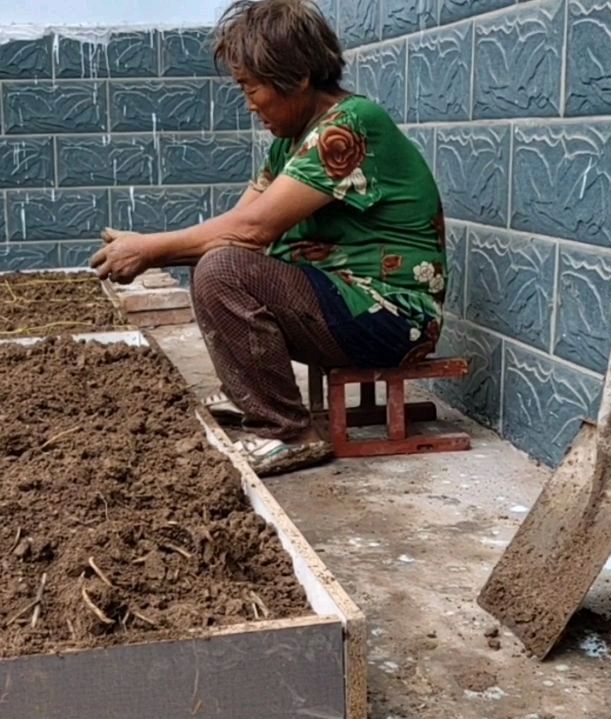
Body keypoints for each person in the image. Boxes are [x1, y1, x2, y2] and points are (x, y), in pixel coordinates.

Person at [91, 0, 447, 477]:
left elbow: (252, 231)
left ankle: (287, 432)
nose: (249, 104)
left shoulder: (347, 128)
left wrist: (150, 249)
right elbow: (241, 225)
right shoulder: (291, 142)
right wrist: (151, 247)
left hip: (391, 316)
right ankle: (251, 391)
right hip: (344, 304)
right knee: (220, 261)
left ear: (297, 78)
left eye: (251, 88)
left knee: (222, 269)